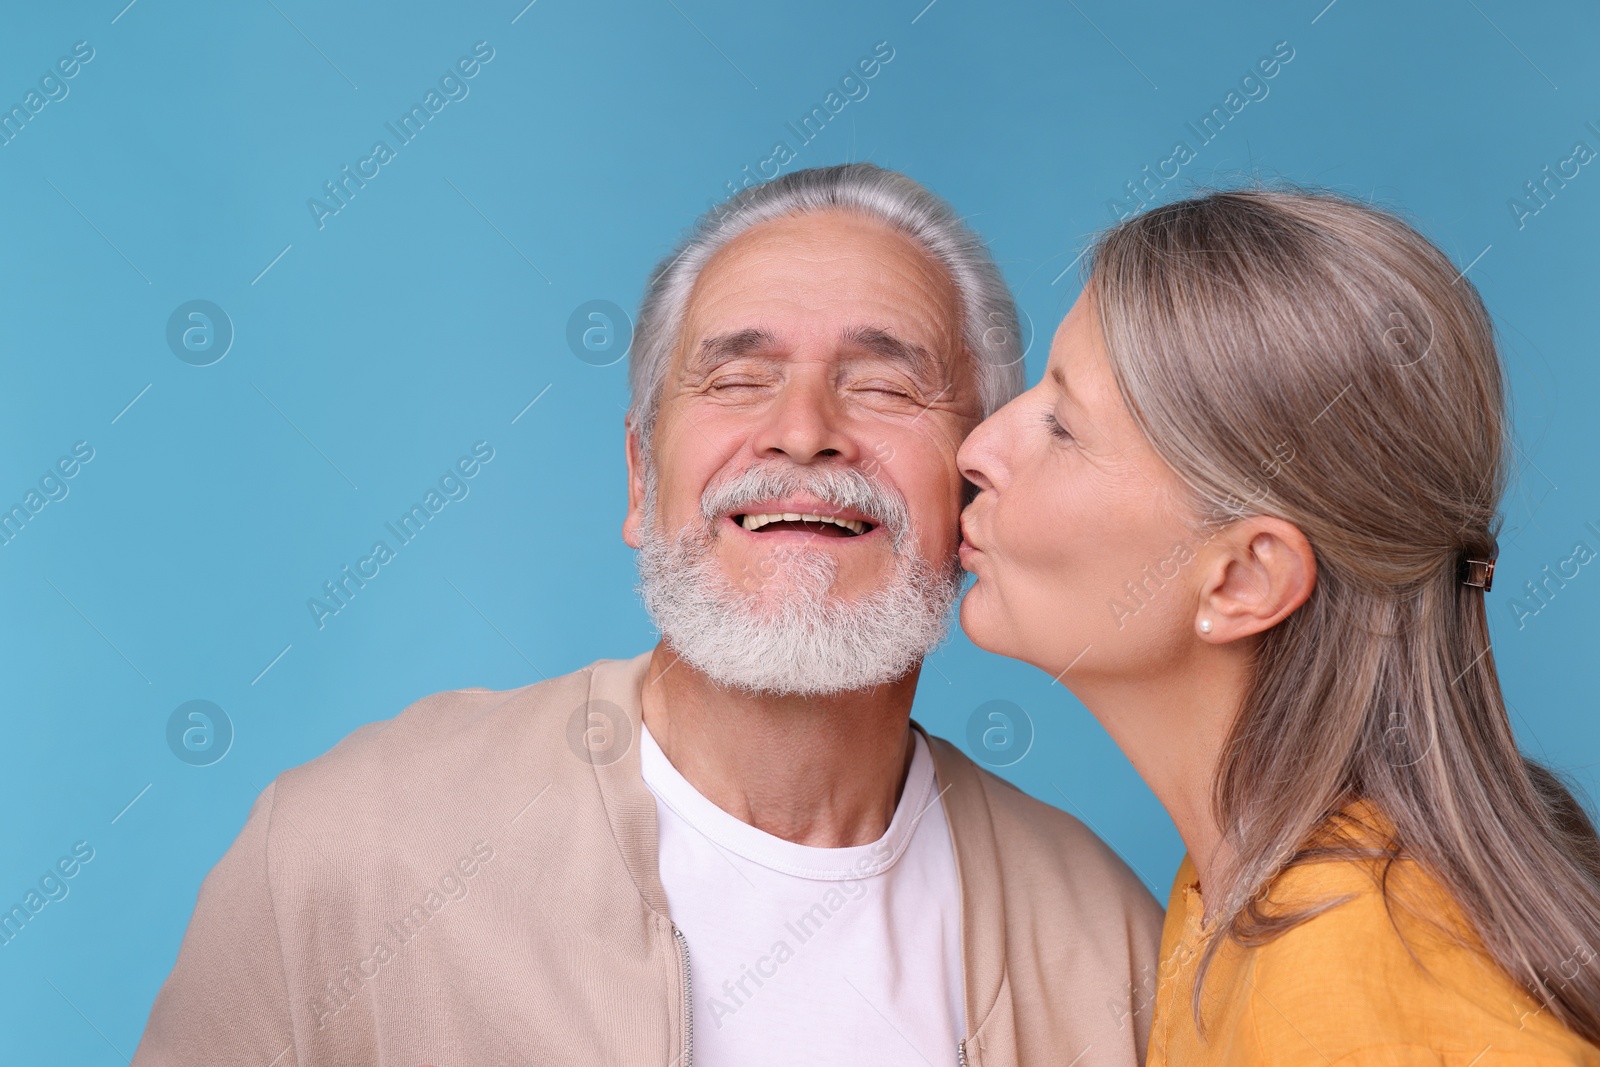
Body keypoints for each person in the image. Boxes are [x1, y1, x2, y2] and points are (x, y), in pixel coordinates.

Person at [130, 163, 1163, 1067]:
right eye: (739, 376)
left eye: (885, 385)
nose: (803, 431)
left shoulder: (1111, 948)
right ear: (638, 475)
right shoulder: (349, 854)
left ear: (977, 484)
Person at [955, 185, 1600, 1065]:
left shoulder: (1341, 981)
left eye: (1063, 425)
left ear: (1245, 578)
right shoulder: (1239, 892)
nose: (977, 448)